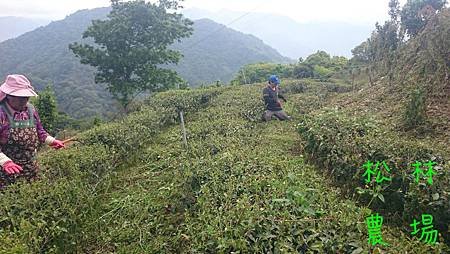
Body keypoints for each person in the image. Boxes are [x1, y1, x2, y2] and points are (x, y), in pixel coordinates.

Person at [0, 74, 65, 188]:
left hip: (31, 166)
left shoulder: (30, 110)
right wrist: (5, 162)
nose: (24, 100)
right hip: (7, 170)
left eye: (26, 97)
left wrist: (52, 141)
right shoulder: (2, 114)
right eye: (20, 97)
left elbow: (40, 131)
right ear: (9, 96)